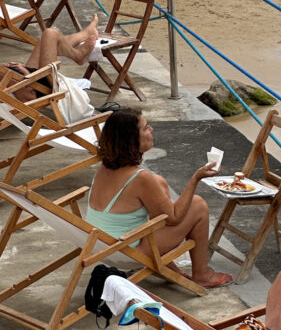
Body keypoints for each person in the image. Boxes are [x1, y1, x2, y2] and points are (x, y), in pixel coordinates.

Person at [85, 109, 233, 288]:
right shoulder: (141, 178)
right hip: (127, 253)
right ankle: (202, 274)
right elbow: (173, 219)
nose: (151, 129)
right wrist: (195, 178)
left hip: (103, 247)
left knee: (159, 183)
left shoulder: (104, 168)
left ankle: (167, 266)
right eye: (145, 128)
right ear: (132, 139)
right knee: (198, 205)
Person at [1, 15, 100, 104]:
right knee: (50, 34)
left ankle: (85, 35)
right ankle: (79, 54)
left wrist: (10, 67)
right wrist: (25, 74)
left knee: (45, 43)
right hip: (35, 87)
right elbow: (21, 91)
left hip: (28, 79)